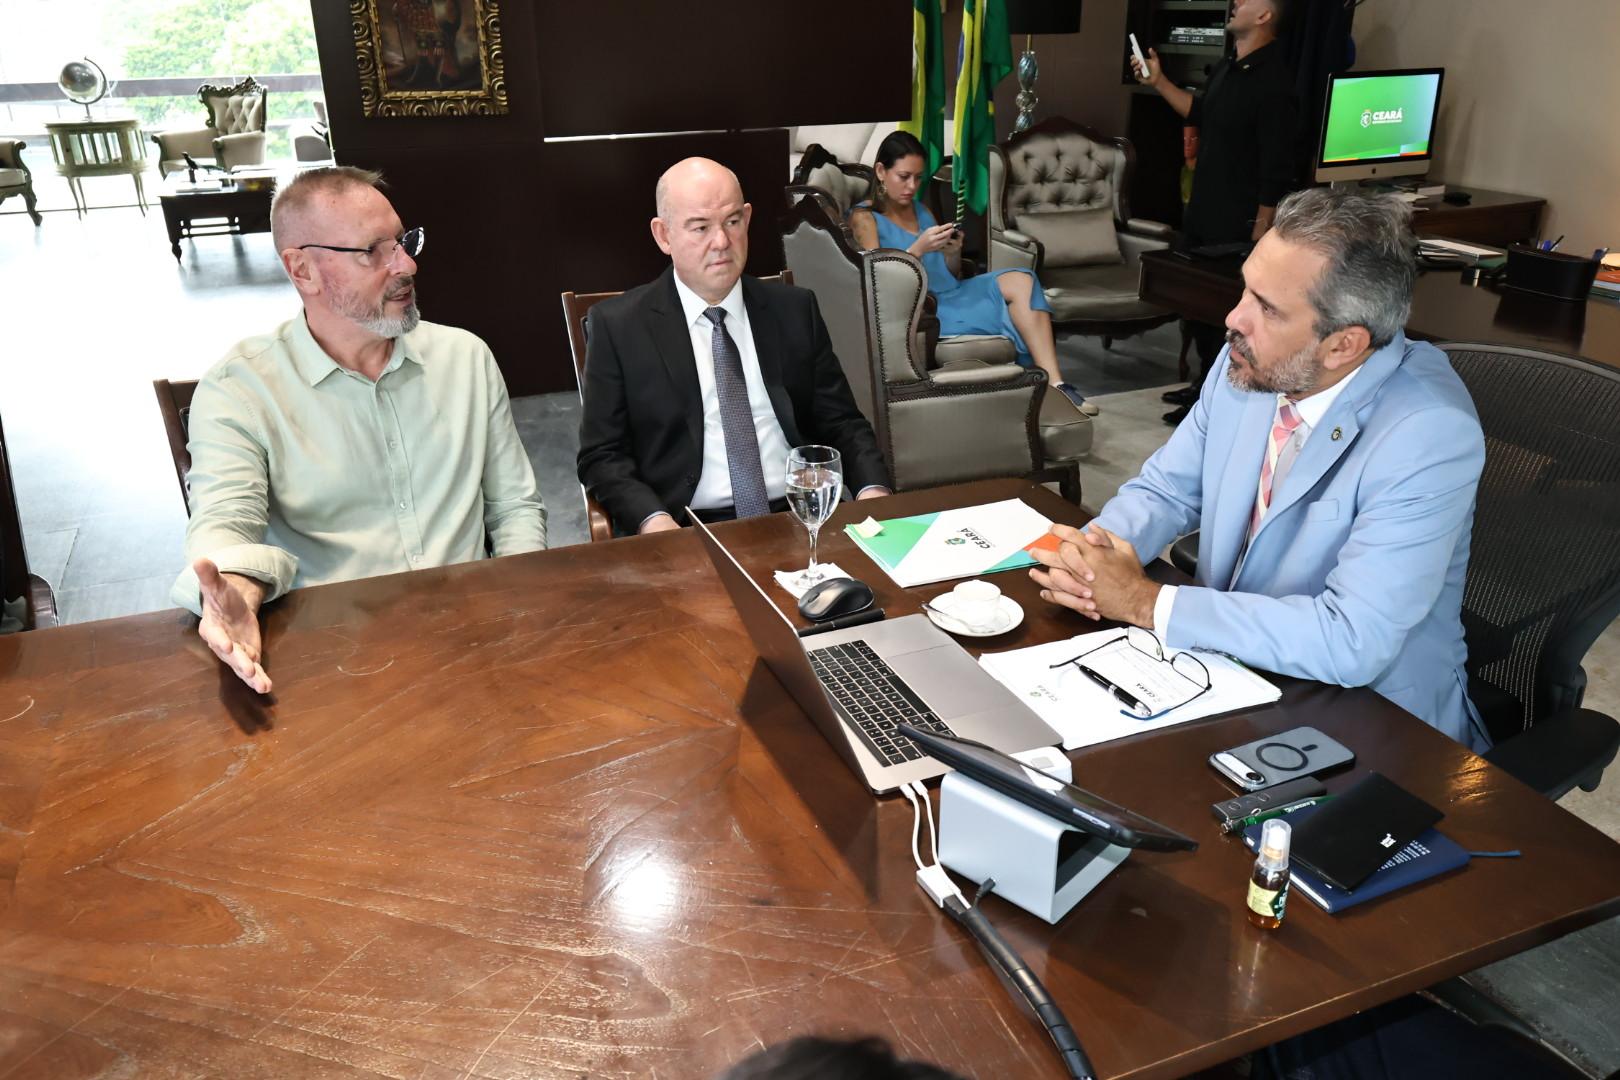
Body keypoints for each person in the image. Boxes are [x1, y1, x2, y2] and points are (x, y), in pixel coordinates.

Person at [1029, 188, 1490, 750]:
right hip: (1233, 674)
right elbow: (1168, 489)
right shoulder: (1251, 360)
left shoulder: (1427, 434)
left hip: (1373, 726)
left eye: (1267, 308)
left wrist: (1146, 602)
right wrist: (1093, 559)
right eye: (1246, 288)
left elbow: (1352, 641)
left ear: (1343, 346)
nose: (1233, 318)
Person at [172, 166, 546, 695]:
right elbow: (225, 525)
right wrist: (233, 587)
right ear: (302, 270)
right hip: (337, 661)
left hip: (482, 641)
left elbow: (515, 509)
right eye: (374, 250)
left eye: (403, 241)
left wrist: (518, 605)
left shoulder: (466, 357)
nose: (407, 265)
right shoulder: (240, 389)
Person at [577, 157, 890, 536]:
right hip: (686, 526)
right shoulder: (619, 327)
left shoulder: (792, 309)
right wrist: (651, 519)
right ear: (663, 235)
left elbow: (842, 422)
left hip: (803, 514)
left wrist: (874, 489)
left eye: (732, 222)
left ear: (748, 218)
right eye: (700, 227)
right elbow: (602, 455)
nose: (721, 242)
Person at [847, 131, 1099, 417]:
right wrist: (917, 248)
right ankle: (1037, 390)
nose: (912, 186)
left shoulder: (921, 208)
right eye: (903, 176)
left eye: (918, 178)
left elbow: (949, 273)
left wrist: (952, 253)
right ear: (881, 171)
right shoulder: (864, 218)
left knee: (1023, 279)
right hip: (924, 305)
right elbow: (874, 279)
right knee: (1017, 301)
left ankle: (1056, 383)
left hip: (953, 290)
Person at [1133, 0, 1299, 425]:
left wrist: (1262, 229)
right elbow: (1200, 113)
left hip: (1240, 218)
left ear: (1265, 17)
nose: (1236, 3)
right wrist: (1160, 82)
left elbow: (1276, 164)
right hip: (1204, 209)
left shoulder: (1276, 80)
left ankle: (1217, 400)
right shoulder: (1229, 66)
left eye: (1247, 1)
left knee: (1228, 312)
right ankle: (1201, 388)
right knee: (1198, 307)